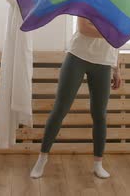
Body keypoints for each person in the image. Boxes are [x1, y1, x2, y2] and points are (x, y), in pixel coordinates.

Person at [30, 16, 122, 179]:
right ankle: (42, 159)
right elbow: (84, 28)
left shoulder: (119, 8)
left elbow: (117, 43)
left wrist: (116, 69)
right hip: (78, 57)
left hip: (104, 62)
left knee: (99, 114)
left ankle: (98, 164)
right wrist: (112, 33)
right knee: (60, 109)